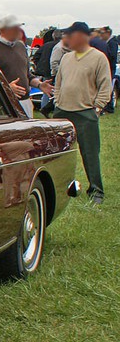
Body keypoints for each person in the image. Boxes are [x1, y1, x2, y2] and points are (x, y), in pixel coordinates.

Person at [54, 22, 112, 205]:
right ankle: (58, 188)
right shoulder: (66, 58)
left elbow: (105, 85)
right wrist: (57, 100)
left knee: (90, 154)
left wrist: (97, 108)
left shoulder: (99, 58)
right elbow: (59, 82)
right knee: (58, 153)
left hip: (86, 113)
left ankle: (96, 191)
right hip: (63, 112)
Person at [0, 15, 52, 117]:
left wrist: (39, 85)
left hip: (26, 102)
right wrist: (7, 87)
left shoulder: (21, 46)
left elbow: (27, 75)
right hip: (5, 105)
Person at [97, 26, 118, 113]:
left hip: (110, 67)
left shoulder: (112, 42)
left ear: (108, 33)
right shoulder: (108, 42)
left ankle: (109, 108)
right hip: (109, 67)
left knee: (109, 86)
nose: (101, 36)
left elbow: (113, 55)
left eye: (102, 33)